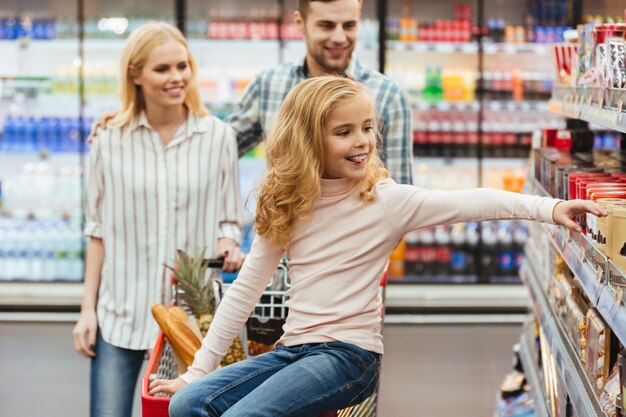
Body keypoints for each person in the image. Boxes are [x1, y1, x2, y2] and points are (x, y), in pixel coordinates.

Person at [148, 76, 606, 417]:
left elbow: (469, 202)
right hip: (295, 348)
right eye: (344, 131)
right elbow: (245, 291)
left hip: (348, 356)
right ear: (309, 141)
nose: (363, 140)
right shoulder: (288, 204)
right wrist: (196, 371)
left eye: (366, 127)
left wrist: (551, 208)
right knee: (187, 405)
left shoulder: (384, 200)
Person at [71, 22, 246, 417]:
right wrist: (87, 310)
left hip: (192, 320)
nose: (177, 77)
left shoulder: (218, 137)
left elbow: (229, 219)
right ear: (135, 74)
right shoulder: (109, 140)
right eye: (162, 69)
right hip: (121, 313)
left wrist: (228, 240)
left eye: (183, 66)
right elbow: (96, 232)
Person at [88, 0, 413, 185]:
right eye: (326, 26)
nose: (339, 38)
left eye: (349, 26)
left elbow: (400, 195)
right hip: (284, 262)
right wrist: (134, 117)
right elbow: (212, 147)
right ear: (300, 24)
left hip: (357, 264)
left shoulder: (388, 96)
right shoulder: (269, 86)